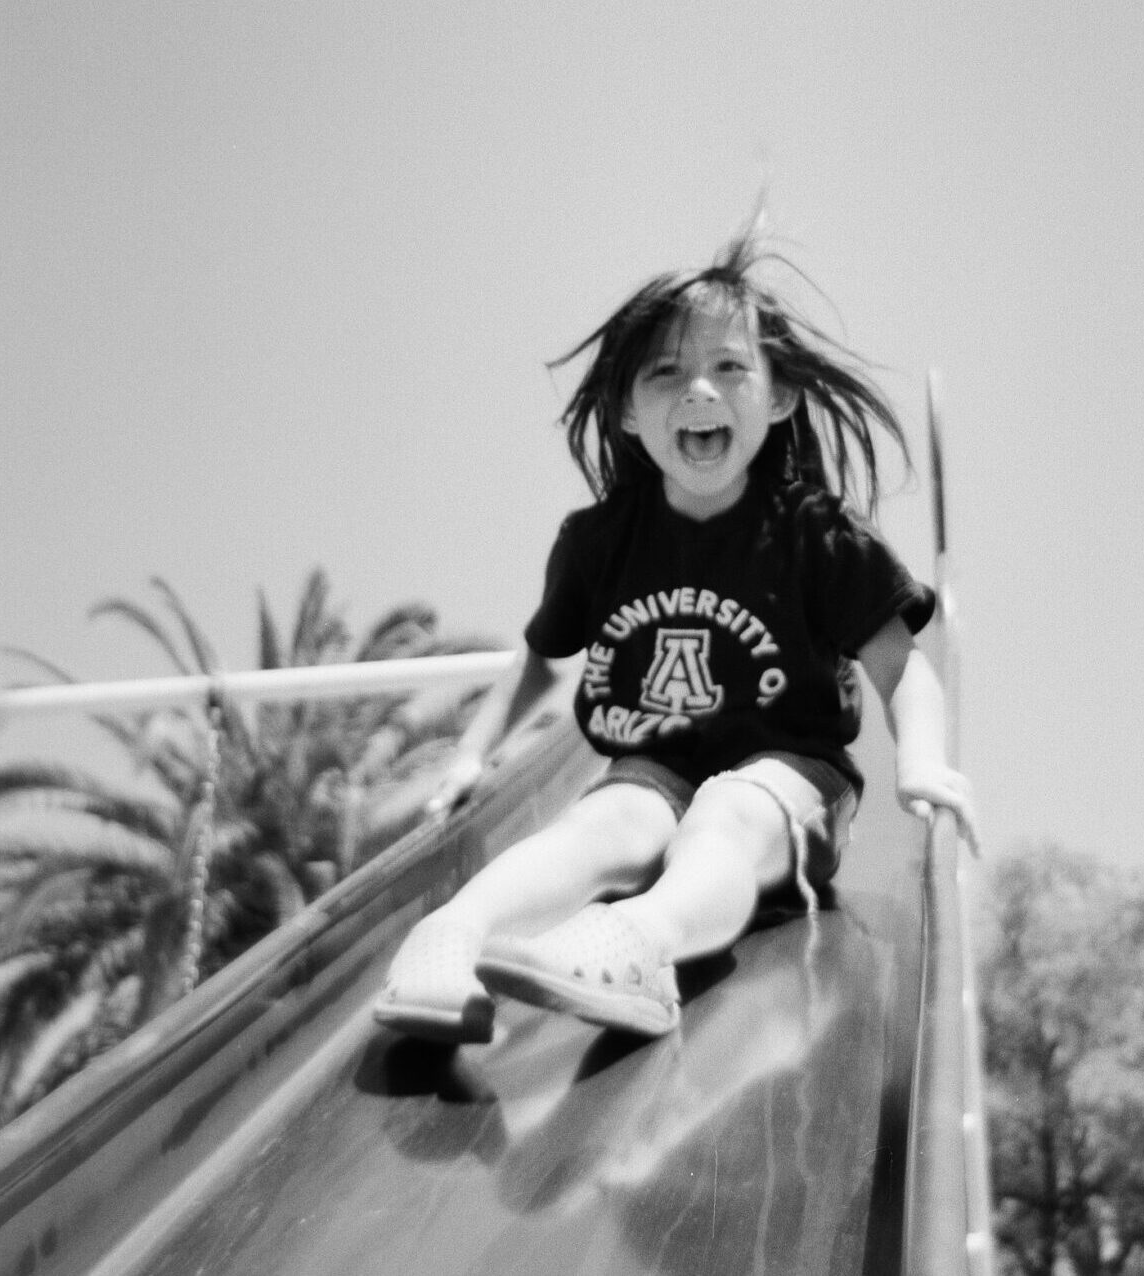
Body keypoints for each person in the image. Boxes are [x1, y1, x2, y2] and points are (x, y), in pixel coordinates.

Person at [373, 227, 979, 1044]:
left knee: (727, 814)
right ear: (627, 411)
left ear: (779, 397)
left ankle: (644, 945)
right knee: (604, 821)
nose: (698, 390)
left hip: (789, 779)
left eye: (729, 368)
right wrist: (472, 752)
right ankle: (453, 933)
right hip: (655, 766)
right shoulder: (602, 540)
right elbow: (542, 660)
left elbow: (899, 663)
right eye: (665, 373)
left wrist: (921, 762)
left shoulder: (813, 535)